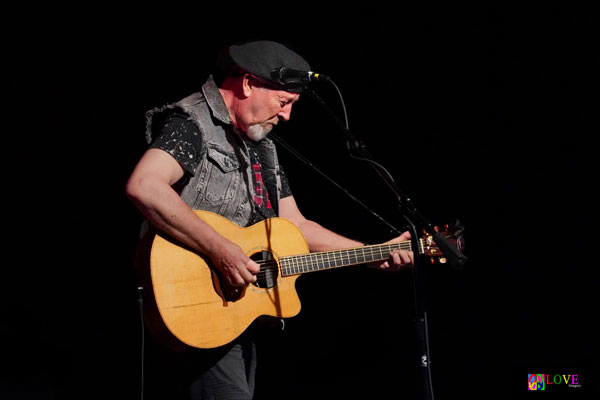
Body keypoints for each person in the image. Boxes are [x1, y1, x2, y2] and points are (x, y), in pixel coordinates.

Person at [125, 40, 414, 400]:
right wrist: (222, 251)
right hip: (188, 302)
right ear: (248, 84)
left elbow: (297, 227)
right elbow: (145, 185)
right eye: (284, 102)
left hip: (231, 316)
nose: (288, 116)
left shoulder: (262, 146)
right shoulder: (193, 122)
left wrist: (371, 252)